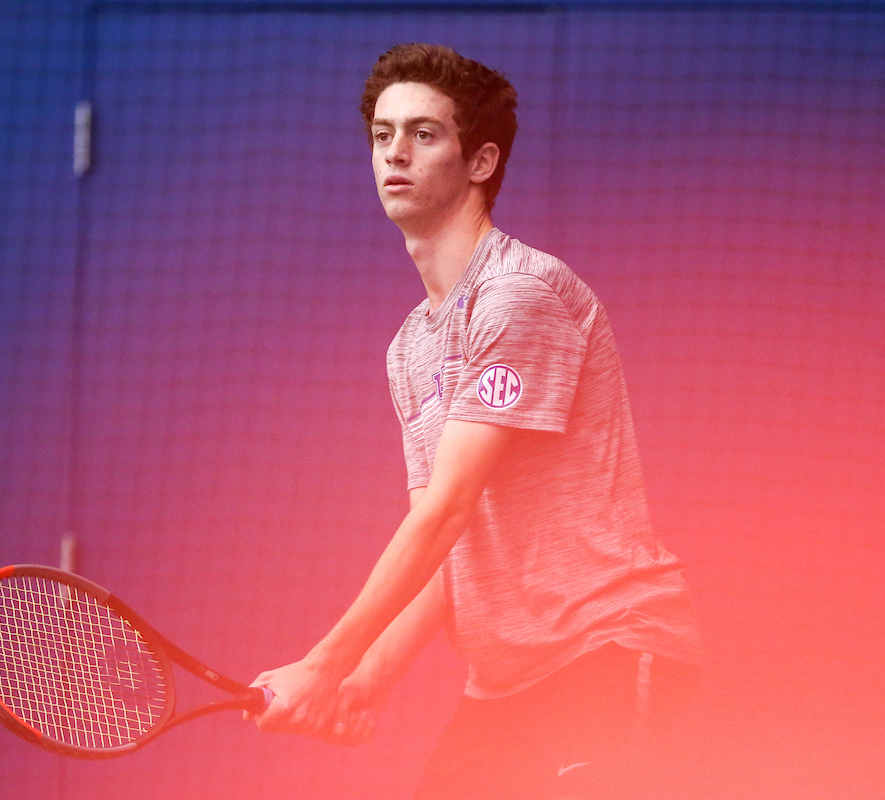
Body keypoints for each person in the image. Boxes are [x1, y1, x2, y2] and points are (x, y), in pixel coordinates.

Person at [249, 43, 702, 799]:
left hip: (605, 650)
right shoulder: (410, 346)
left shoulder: (518, 297)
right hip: (505, 683)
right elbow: (448, 544)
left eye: (424, 134)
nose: (395, 151)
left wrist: (323, 662)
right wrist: (367, 680)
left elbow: (447, 509)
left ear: (481, 161)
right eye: (383, 134)